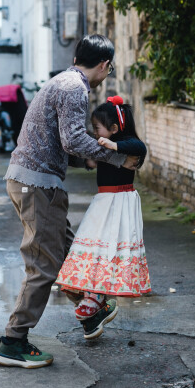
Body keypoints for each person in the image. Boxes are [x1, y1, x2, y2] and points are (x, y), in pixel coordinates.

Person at [0, 34, 141, 369]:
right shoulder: (75, 88)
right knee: (43, 265)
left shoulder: (61, 81)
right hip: (37, 185)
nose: (107, 74)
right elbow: (73, 139)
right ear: (104, 65)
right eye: (110, 68)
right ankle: (13, 341)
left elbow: (59, 141)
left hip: (33, 180)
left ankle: (91, 310)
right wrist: (118, 159)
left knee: (71, 254)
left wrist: (88, 160)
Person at [55, 96, 150, 340]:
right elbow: (87, 158)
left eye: (97, 127)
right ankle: (95, 302)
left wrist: (113, 146)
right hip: (103, 202)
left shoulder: (127, 145)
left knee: (106, 252)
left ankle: (95, 297)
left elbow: (140, 148)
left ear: (115, 129)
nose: (95, 131)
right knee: (89, 247)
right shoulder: (101, 145)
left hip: (119, 203)